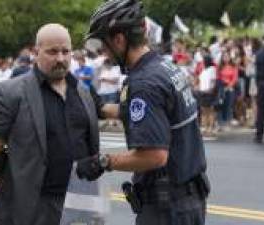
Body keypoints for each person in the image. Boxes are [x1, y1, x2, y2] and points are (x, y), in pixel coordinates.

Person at [76, 1, 210, 225]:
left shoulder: (144, 83)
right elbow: (154, 114)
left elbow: (155, 156)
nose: (105, 52)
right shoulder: (164, 67)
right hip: (187, 199)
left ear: (119, 39)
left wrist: (102, 162)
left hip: (168, 209)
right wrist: (101, 109)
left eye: (105, 44)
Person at [0, 23, 99, 225]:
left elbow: (89, 144)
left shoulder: (82, 91)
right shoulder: (10, 93)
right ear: (36, 52)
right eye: (52, 52)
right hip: (34, 206)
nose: (60, 58)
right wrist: (12, 174)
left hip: (79, 202)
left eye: (65, 51)